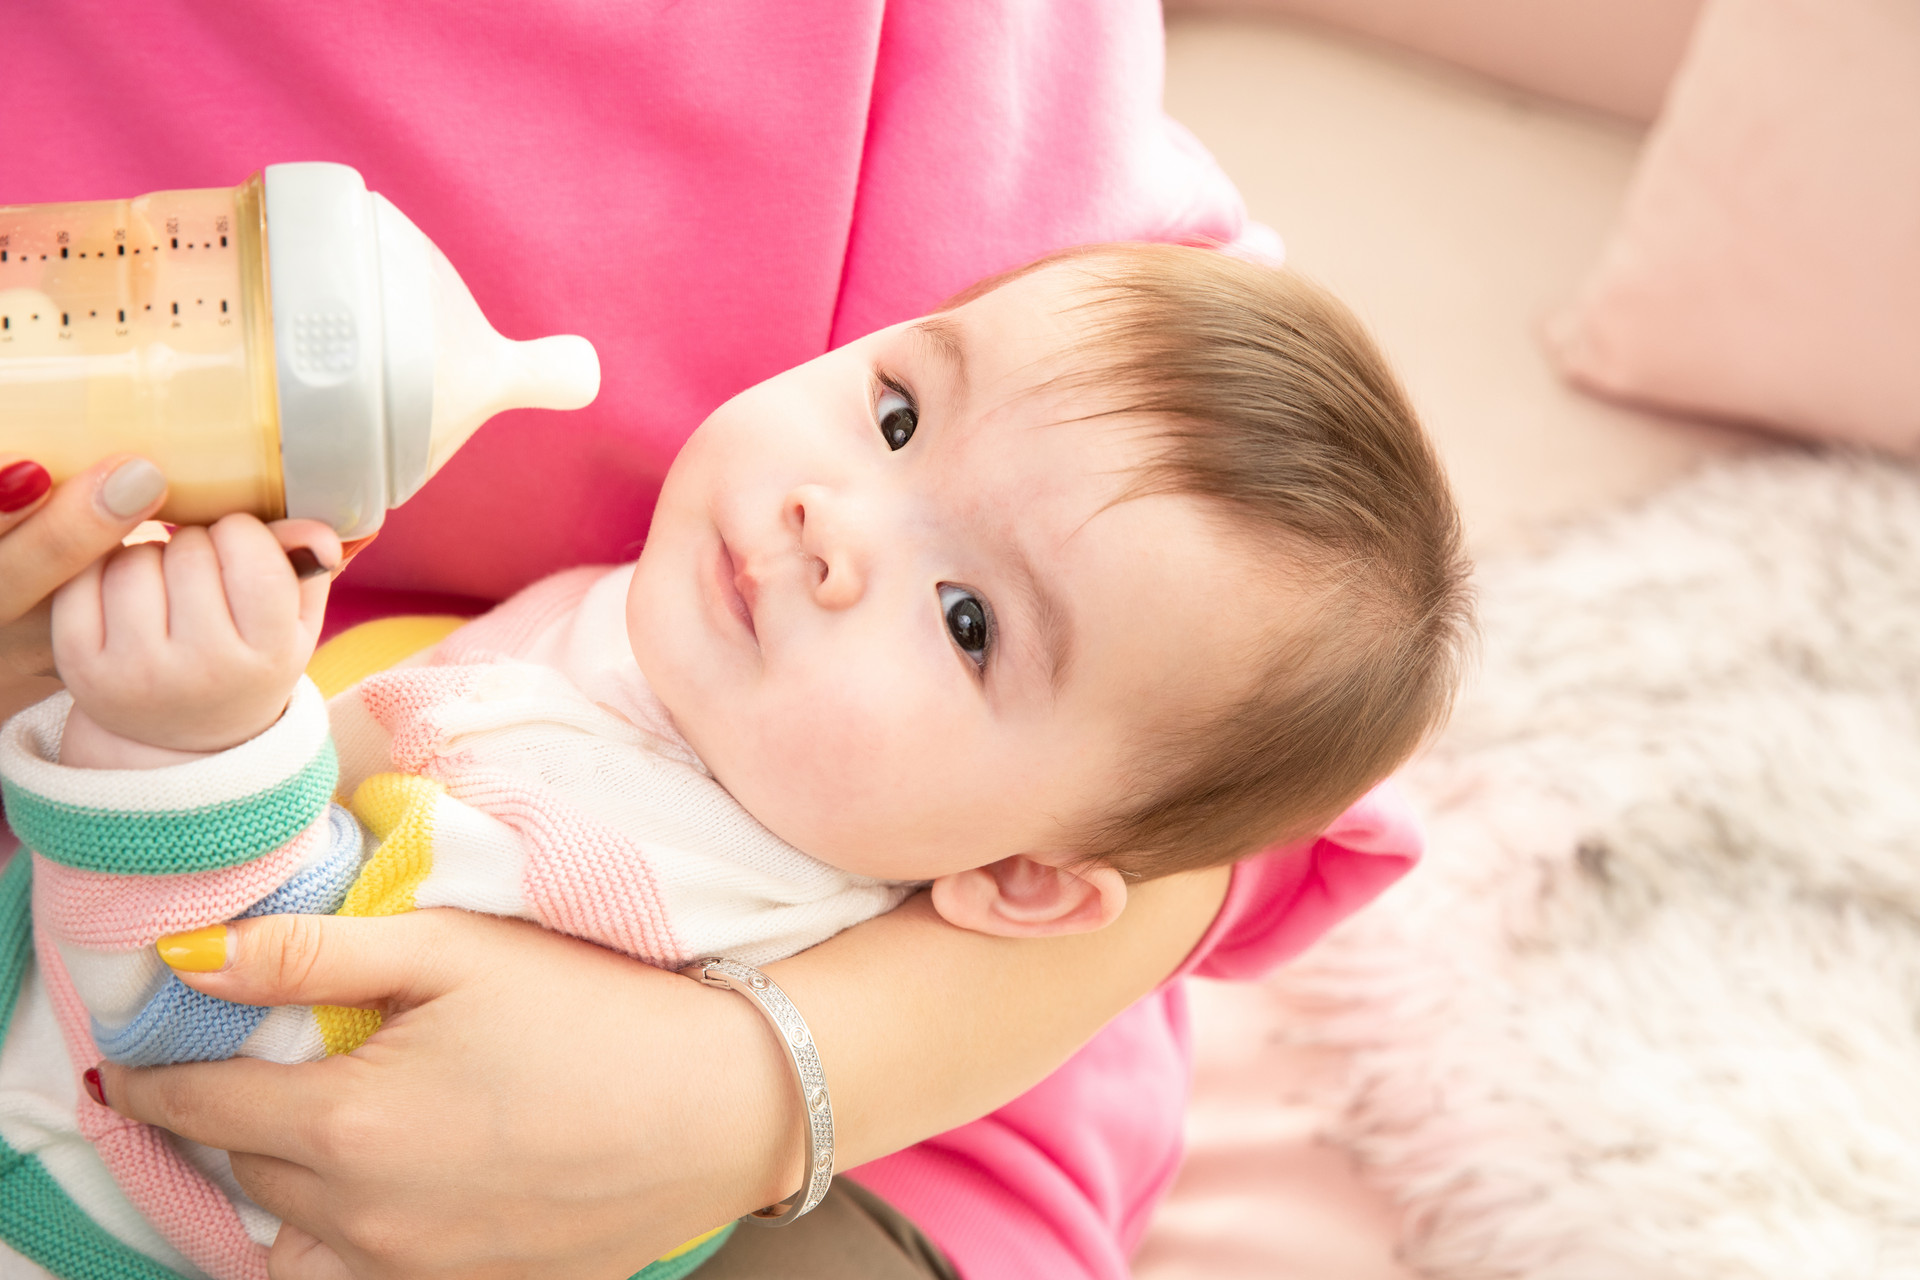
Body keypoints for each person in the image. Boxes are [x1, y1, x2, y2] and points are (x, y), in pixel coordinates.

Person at [3, 5, 1432, 1279]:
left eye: (969, 621)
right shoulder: (679, 655)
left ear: (1015, 877)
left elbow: (227, 1033)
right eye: (893, 417)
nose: (834, 518)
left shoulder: (641, 867)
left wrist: (182, 752)